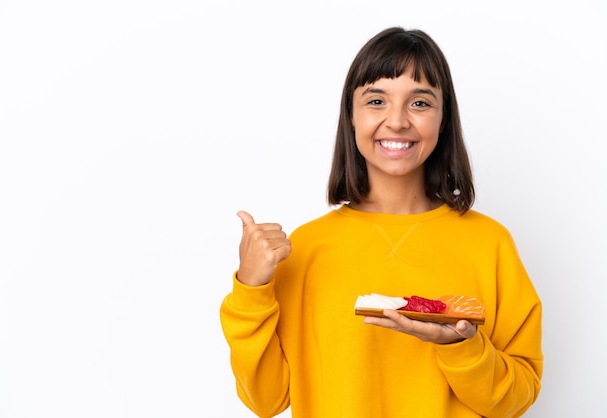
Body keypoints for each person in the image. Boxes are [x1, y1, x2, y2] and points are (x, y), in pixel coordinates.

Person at [220, 27, 543, 418]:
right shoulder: (305, 248)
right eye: (376, 100)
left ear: (443, 120)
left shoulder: (490, 243)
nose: (397, 121)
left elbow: (516, 399)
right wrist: (251, 288)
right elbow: (265, 400)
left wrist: (460, 346)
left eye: (420, 103)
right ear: (351, 117)